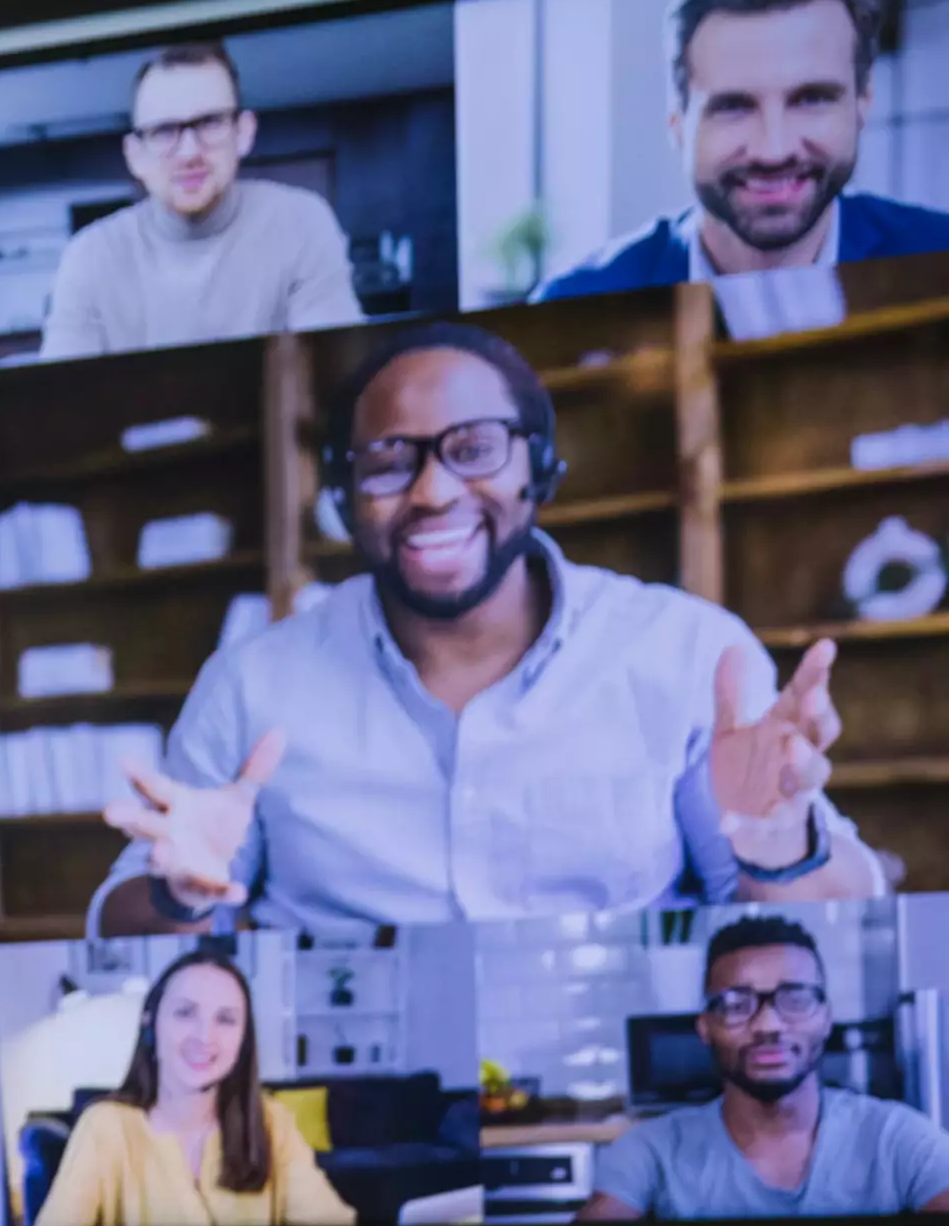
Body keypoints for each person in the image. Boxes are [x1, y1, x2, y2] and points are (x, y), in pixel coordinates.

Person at [95, 323, 882, 933]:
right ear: (345, 499)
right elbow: (128, 938)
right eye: (389, 460)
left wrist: (778, 840)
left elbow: (831, 929)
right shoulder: (252, 681)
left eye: (474, 449)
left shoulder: (691, 655)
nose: (434, 491)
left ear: (538, 471)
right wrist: (178, 897)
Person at [541, 0, 949, 300]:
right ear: (677, 123)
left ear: (863, 103)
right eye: (733, 106)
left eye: (811, 99)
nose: (774, 149)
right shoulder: (571, 300)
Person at [580, 914, 949, 1220]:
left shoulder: (900, 1140)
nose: (768, 1025)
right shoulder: (650, 1152)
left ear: (826, 1017)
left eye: (796, 999)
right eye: (737, 1003)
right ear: (705, 1027)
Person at [39, 41, 363, 361]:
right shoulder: (89, 258)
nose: (189, 152)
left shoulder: (302, 223)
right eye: (164, 130)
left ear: (244, 132)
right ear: (135, 155)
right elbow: (58, 399)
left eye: (210, 122)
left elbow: (335, 374)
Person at [32, 950, 353, 1226]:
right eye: (185, 1013)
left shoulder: (272, 1120)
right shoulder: (104, 1125)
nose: (205, 1036)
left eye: (226, 1019)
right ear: (150, 1022)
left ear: (243, 1040)